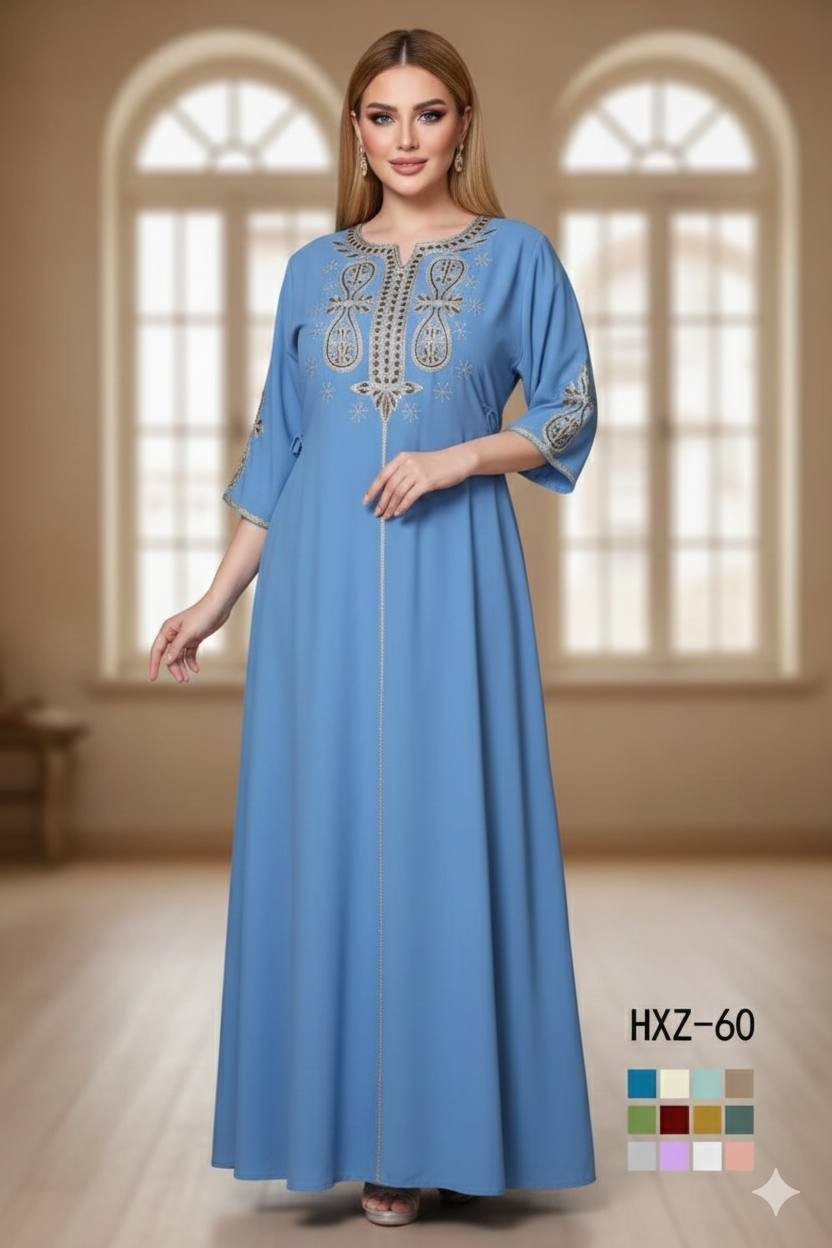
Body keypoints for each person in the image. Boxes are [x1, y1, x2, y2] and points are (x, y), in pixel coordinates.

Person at [148, 26, 598, 1229]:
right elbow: (278, 449)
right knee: (333, 839)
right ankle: (350, 1132)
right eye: (383, 115)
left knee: (446, 840)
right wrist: (212, 603)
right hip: (321, 596)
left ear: (462, 124)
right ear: (355, 130)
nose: (406, 138)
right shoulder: (311, 271)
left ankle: (447, 1131)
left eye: (428, 113)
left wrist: (455, 458)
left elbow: (567, 409)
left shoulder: (517, 257)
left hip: (457, 579)